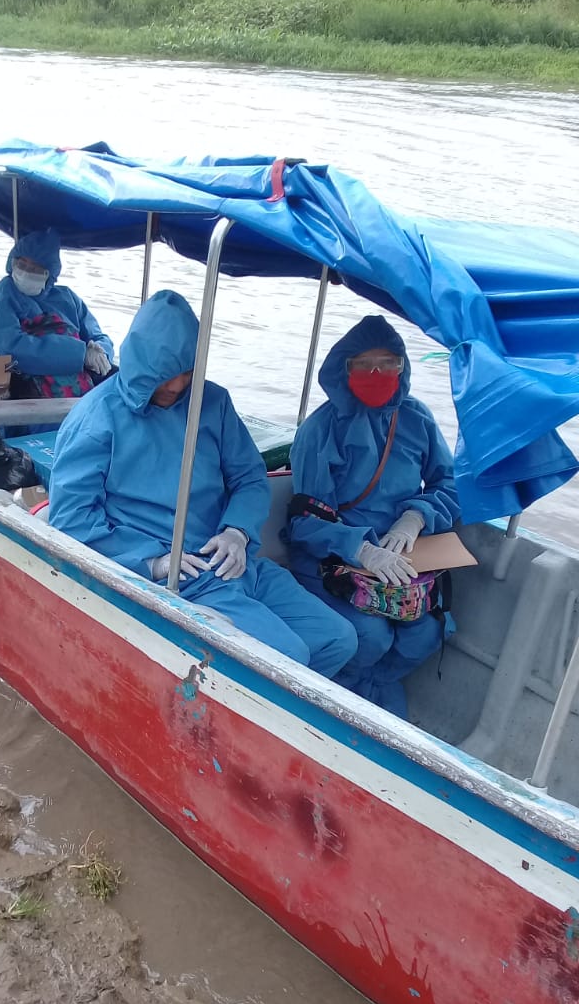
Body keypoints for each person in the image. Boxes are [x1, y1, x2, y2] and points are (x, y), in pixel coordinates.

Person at [49, 289, 357, 678]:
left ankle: (265, 722)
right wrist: (153, 563)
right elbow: (71, 524)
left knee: (338, 638)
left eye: (186, 374)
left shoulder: (213, 402)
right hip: (179, 576)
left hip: (234, 562)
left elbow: (249, 477)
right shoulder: (97, 418)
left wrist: (238, 532)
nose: (177, 388)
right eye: (164, 381)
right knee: (289, 658)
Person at [287, 314, 460, 718]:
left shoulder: (417, 418)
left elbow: (449, 484)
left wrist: (416, 516)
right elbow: (305, 521)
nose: (377, 373)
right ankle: (339, 697)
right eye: (364, 364)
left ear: (404, 366)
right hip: (334, 558)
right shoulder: (321, 429)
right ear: (343, 368)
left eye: (388, 363)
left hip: (404, 558)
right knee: (371, 636)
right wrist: (360, 549)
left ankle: (375, 691)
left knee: (428, 633)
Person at [0, 229, 114, 399]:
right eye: (21, 264)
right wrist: (79, 355)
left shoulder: (67, 298)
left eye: (35, 269)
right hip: (26, 390)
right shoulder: (1, 297)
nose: (26, 271)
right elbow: (9, 348)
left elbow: (98, 336)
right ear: (12, 262)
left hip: (80, 390)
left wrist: (101, 355)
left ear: (50, 274)